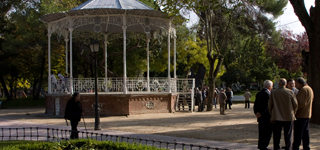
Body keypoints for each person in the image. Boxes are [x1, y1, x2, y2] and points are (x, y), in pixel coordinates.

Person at [268, 78, 298, 150]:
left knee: (276, 134)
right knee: (288, 134)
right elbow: (295, 104)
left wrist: (272, 113)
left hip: (277, 116)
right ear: (286, 84)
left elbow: (270, 105)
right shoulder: (290, 92)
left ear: (279, 84)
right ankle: (288, 147)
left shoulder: (274, 92)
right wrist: (293, 112)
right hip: (288, 116)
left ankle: (276, 147)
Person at [292, 77, 314, 150]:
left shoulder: (304, 89)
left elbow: (301, 103)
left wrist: (294, 109)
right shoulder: (309, 88)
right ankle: (306, 146)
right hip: (306, 114)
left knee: (298, 132)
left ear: (299, 83)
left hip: (301, 114)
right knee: (305, 132)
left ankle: (296, 146)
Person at [254, 80, 273, 150]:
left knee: (261, 132)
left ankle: (261, 145)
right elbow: (267, 106)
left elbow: (256, 105)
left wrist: (257, 112)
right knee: (267, 132)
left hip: (260, 116)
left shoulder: (259, 93)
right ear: (269, 86)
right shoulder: (268, 95)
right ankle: (264, 145)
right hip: (266, 116)